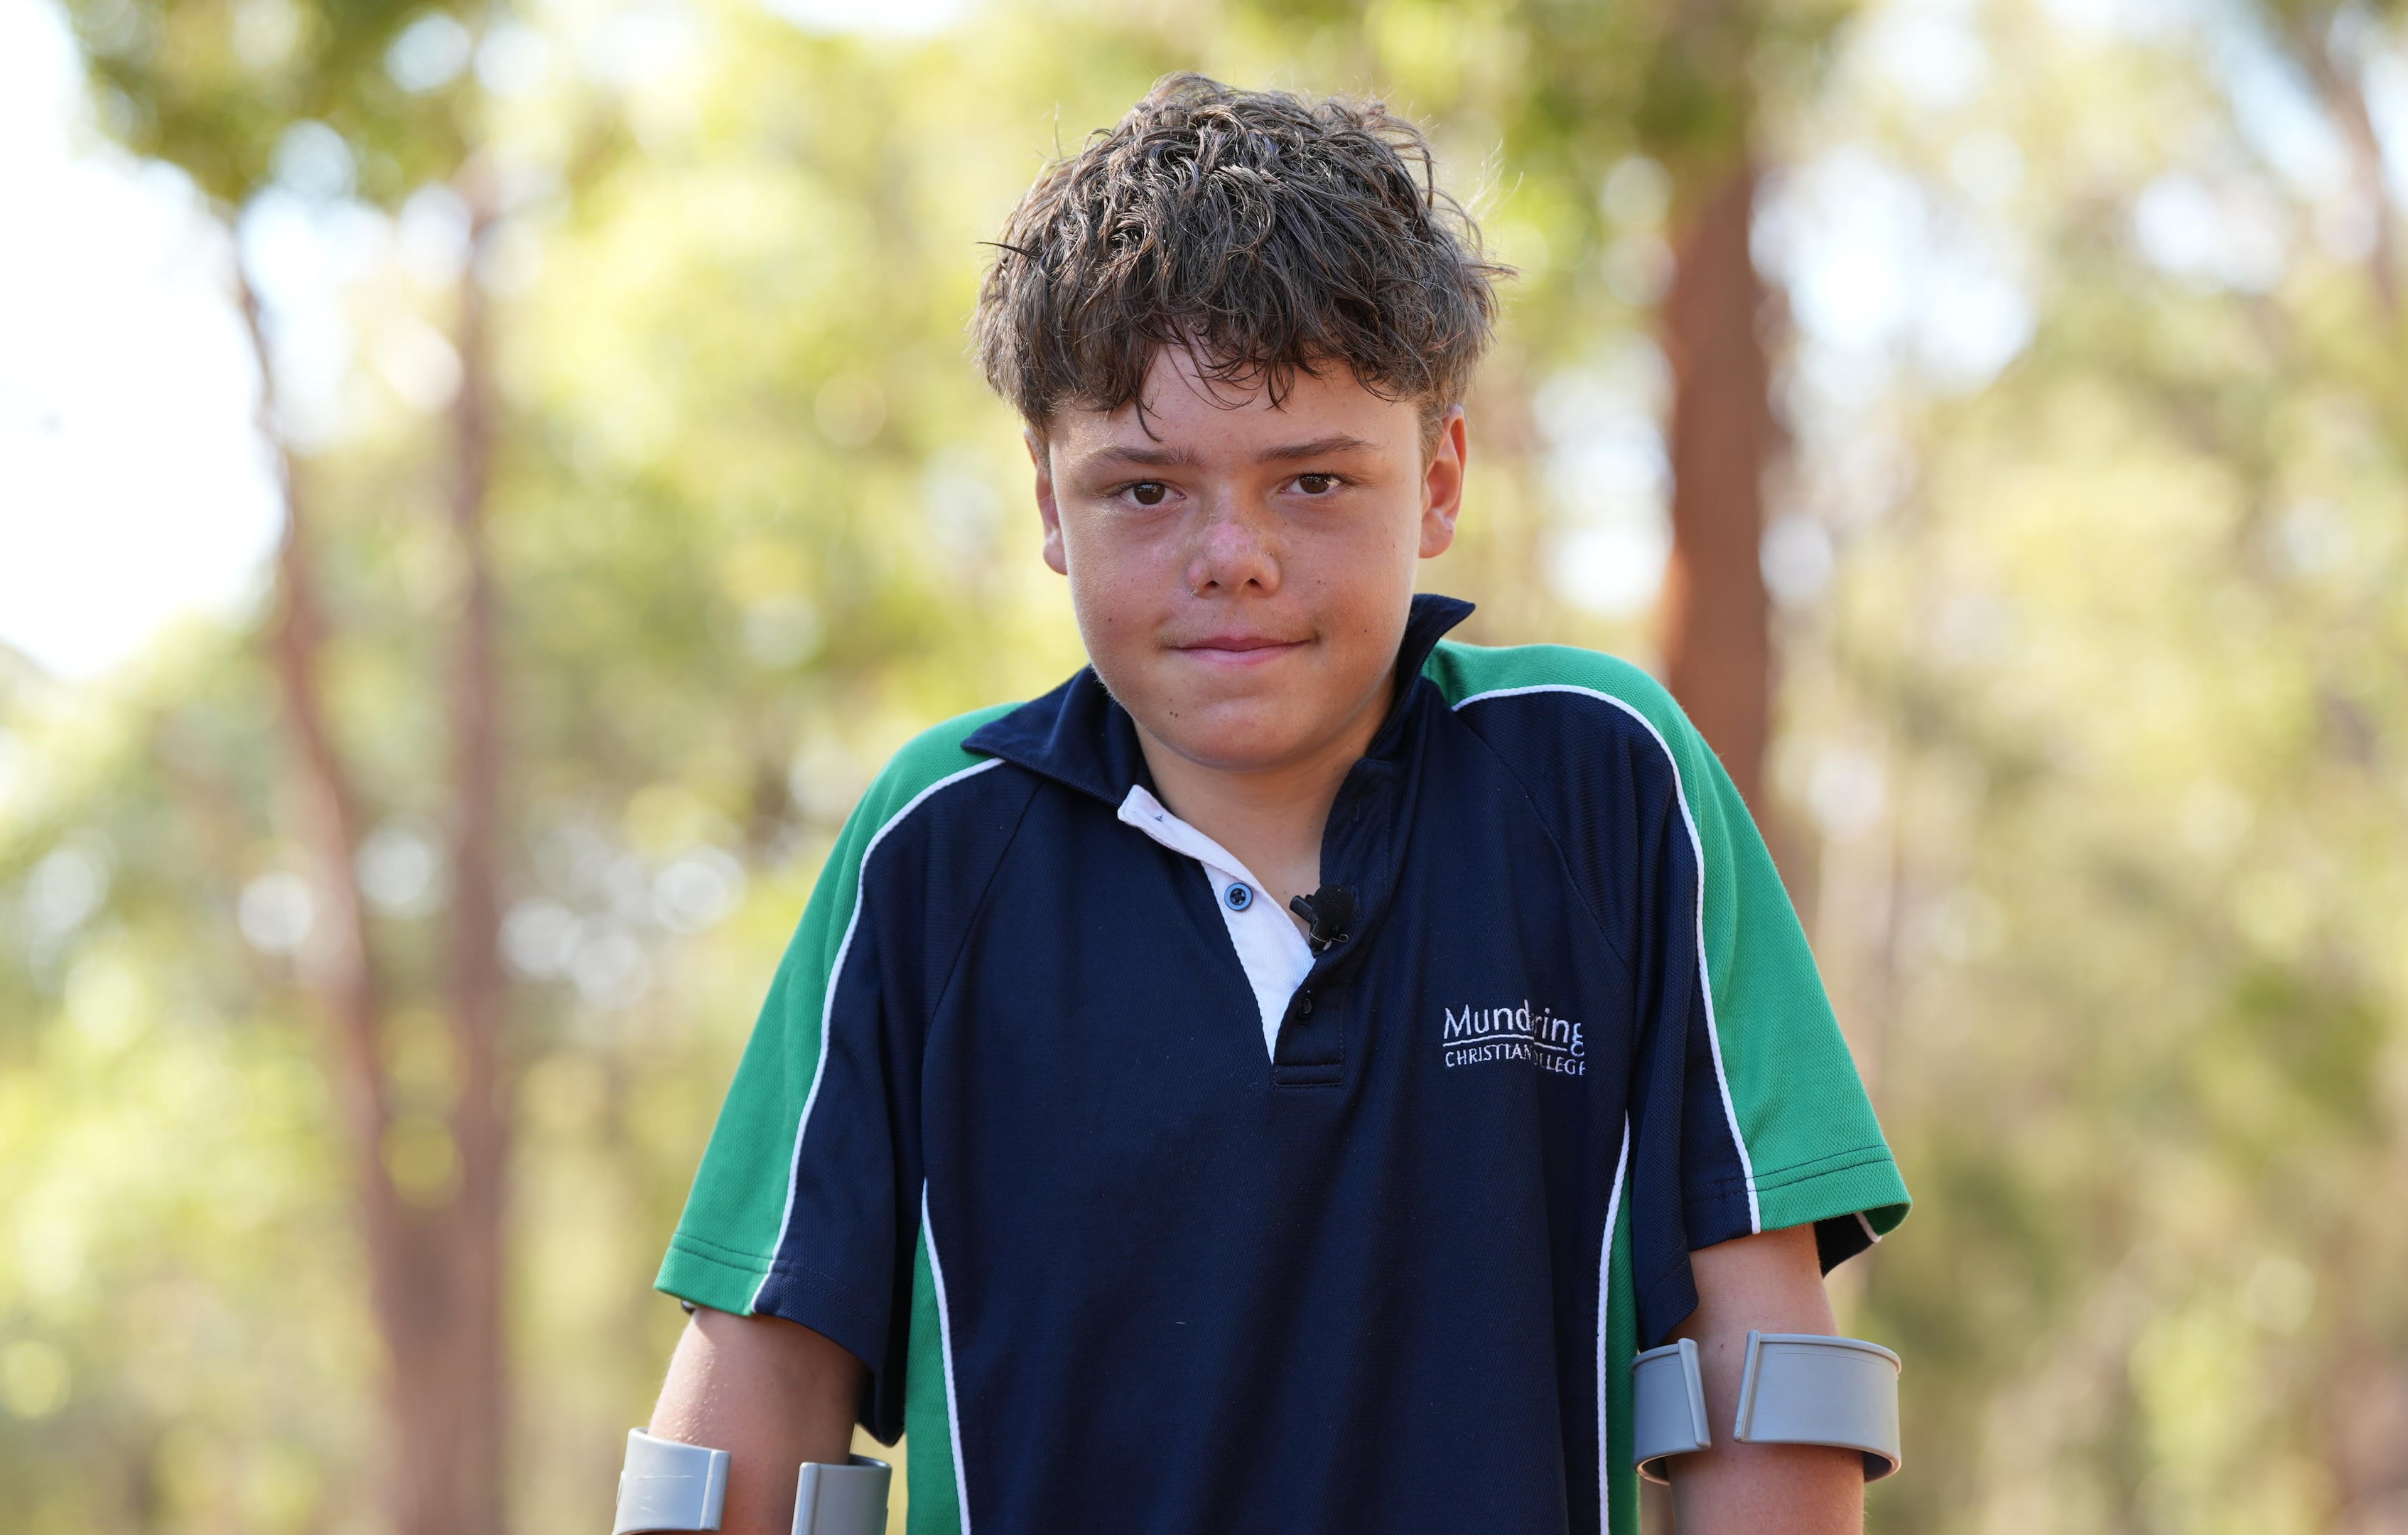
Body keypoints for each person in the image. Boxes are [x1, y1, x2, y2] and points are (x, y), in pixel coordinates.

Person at [637, 72, 1908, 1535]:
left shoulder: (1603, 779)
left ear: (1435, 484)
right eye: (1144, 490)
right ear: (1050, 505)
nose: (1231, 556)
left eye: (1311, 481)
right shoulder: (935, 851)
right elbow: (754, 1421)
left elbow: (1763, 1383)